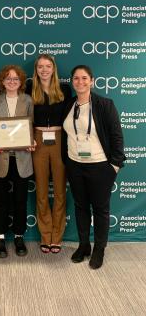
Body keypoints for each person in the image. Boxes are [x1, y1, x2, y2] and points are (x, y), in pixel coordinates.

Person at [62, 65, 125, 269]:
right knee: (80, 207)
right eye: (76, 79)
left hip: (100, 166)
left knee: (100, 209)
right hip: (75, 165)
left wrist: (114, 165)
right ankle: (84, 245)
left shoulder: (105, 104)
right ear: (72, 82)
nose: (80, 82)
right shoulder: (68, 105)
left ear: (92, 81)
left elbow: (116, 136)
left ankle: (99, 249)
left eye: (84, 78)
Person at [0, 65, 35, 259]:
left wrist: (31, 140)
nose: (11, 82)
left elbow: (31, 125)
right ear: (2, 81)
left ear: (21, 82)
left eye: (15, 79)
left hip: (22, 158)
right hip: (0, 158)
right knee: (0, 201)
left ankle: (19, 236)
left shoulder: (27, 100)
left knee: (20, 201)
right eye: (8, 78)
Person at [30, 54, 71, 254]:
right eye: (40, 67)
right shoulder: (30, 88)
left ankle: (57, 236)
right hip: (37, 140)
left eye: (48, 66)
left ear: (53, 69)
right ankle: (45, 235)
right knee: (42, 192)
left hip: (59, 140)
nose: (44, 70)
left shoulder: (64, 89)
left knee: (60, 192)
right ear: (36, 70)